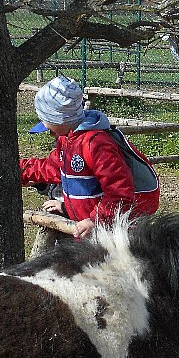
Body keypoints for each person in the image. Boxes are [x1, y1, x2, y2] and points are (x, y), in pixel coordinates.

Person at [20, 75, 159, 240]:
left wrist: (97, 219)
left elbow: (119, 191)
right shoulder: (67, 140)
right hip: (86, 231)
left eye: (45, 120)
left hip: (107, 235)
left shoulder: (97, 144)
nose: (44, 127)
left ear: (59, 119)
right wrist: (20, 171)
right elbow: (53, 167)